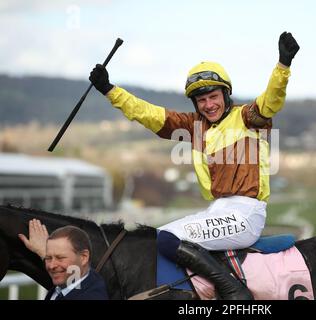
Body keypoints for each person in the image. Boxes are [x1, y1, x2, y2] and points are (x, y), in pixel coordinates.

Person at [89, 31, 299, 300]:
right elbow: (150, 115)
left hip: (247, 213)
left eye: (213, 97)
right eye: (201, 100)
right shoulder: (194, 126)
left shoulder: (247, 117)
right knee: (161, 236)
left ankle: (234, 291)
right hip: (218, 210)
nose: (208, 105)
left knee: (167, 239)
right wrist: (111, 91)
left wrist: (282, 66)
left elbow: (271, 100)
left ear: (225, 94)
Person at [18, 219, 109, 300]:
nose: (51, 265)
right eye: (48, 258)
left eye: (60, 258)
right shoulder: (86, 280)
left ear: (83, 257)